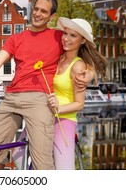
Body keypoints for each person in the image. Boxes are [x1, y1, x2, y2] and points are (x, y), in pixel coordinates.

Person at [0, 0, 94, 170]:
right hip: (10, 99)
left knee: (42, 161)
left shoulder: (59, 37)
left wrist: (89, 73)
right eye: (36, 9)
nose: (37, 13)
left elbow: (82, 54)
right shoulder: (16, 38)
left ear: (52, 16)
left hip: (39, 99)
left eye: (43, 11)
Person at [48, 17, 107, 169]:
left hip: (64, 121)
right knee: (19, 151)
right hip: (45, 118)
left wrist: (58, 108)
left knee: (64, 170)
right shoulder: (59, 58)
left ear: (82, 41)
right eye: (65, 33)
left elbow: (79, 104)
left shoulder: (78, 67)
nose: (66, 39)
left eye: (73, 35)